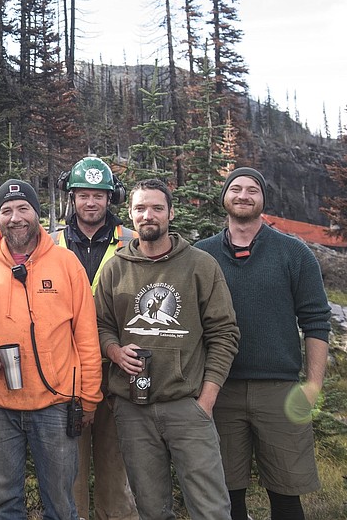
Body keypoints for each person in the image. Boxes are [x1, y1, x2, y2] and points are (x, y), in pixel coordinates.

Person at [95, 179, 240, 520]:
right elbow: (99, 325)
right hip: (133, 411)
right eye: (141, 208)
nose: (149, 215)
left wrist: (206, 400)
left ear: (171, 213)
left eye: (157, 208)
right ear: (130, 215)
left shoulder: (200, 265)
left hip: (187, 406)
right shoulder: (115, 268)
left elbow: (224, 332)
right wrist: (114, 351)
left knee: (211, 508)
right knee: (151, 509)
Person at [0, 180, 103, 520]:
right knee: (3, 502)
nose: (16, 218)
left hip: (55, 403)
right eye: (7, 211)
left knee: (60, 501)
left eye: (23, 208)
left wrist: (89, 396)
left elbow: (86, 334)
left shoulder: (67, 263)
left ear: (37, 214)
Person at [196, 168, 331, 520]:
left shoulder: (294, 253)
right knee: (226, 494)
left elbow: (316, 320)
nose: (243, 195)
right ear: (224, 197)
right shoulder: (201, 255)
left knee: (286, 495)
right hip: (218, 390)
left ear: (263, 200)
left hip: (281, 391)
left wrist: (314, 385)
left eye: (252, 189)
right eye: (236, 188)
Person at [51, 157, 138, 520]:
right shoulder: (50, 242)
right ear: (71, 197)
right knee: (66, 469)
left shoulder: (132, 242)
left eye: (98, 196)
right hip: (64, 370)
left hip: (118, 369)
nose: (90, 202)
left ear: (110, 198)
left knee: (116, 469)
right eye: (83, 194)